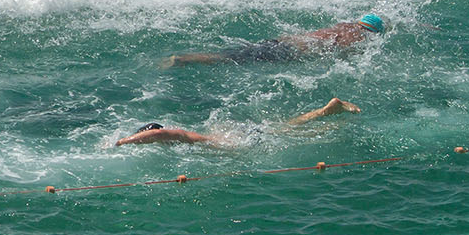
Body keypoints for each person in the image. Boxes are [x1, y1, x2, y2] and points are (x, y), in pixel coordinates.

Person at [157, 14, 385, 69]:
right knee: (230, 59)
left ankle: (187, 58)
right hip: (286, 51)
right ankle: (182, 60)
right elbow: (342, 51)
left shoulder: (344, 25)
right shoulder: (355, 35)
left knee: (236, 54)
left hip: (280, 41)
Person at [112, 97, 360, 147]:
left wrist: (123, 142)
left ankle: (331, 118)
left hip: (240, 142)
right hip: (237, 134)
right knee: (288, 127)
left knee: (293, 134)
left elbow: (163, 134)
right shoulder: (191, 140)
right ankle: (327, 112)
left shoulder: (184, 138)